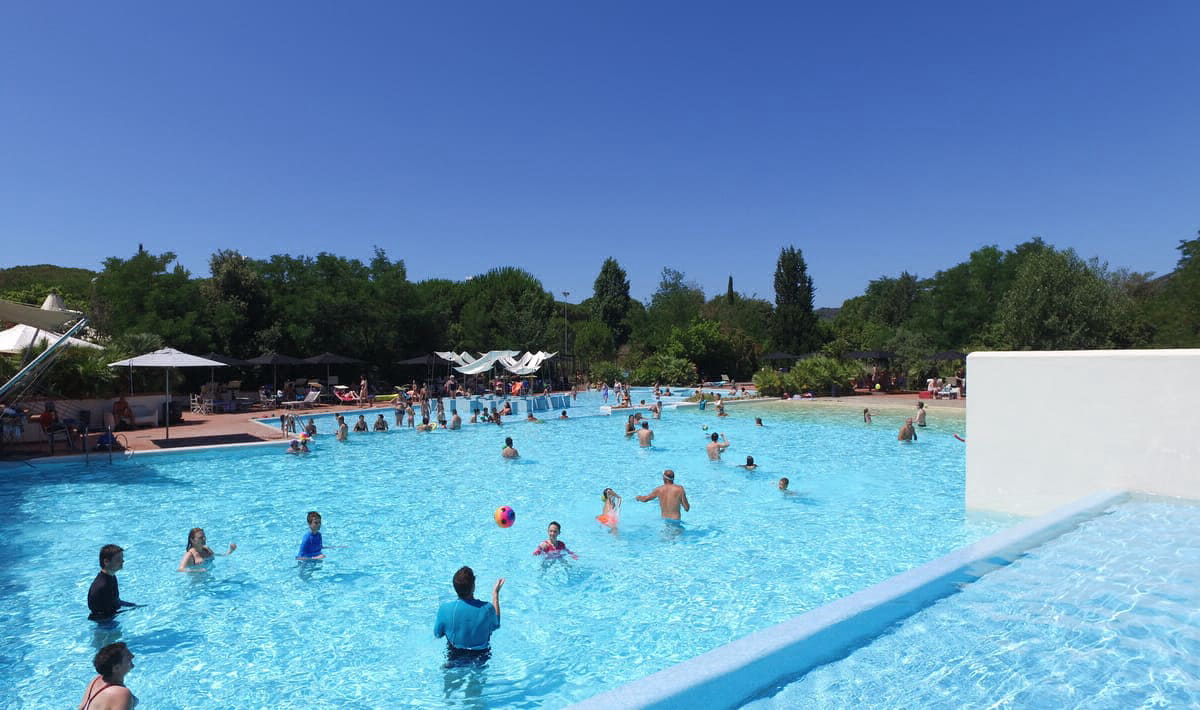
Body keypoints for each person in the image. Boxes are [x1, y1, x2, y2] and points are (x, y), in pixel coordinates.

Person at [434, 566, 504, 662]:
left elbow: (438, 634)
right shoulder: (487, 609)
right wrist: (495, 593)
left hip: (454, 655)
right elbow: (496, 624)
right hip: (481, 656)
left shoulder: (444, 609)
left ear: (455, 587)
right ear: (473, 586)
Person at [77, 642, 135, 710]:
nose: (132, 656)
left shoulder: (95, 680)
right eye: (127, 655)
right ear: (116, 668)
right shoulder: (121, 694)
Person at [87, 544, 137, 621]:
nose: (123, 561)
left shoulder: (110, 577)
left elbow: (115, 602)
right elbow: (107, 612)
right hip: (104, 623)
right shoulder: (103, 585)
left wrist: (133, 606)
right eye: (118, 559)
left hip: (108, 617)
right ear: (106, 562)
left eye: (122, 558)